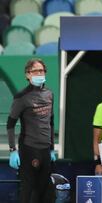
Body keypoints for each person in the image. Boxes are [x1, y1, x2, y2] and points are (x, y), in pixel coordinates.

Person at [7, 58, 56, 203]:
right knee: (28, 191)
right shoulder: (21, 97)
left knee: (45, 192)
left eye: (42, 70)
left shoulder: (49, 94)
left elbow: (51, 122)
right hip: (29, 149)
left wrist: (52, 148)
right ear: (28, 74)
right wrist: (12, 150)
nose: (39, 73)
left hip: (45, 150)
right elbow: (10, 124)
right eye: (35, 71)